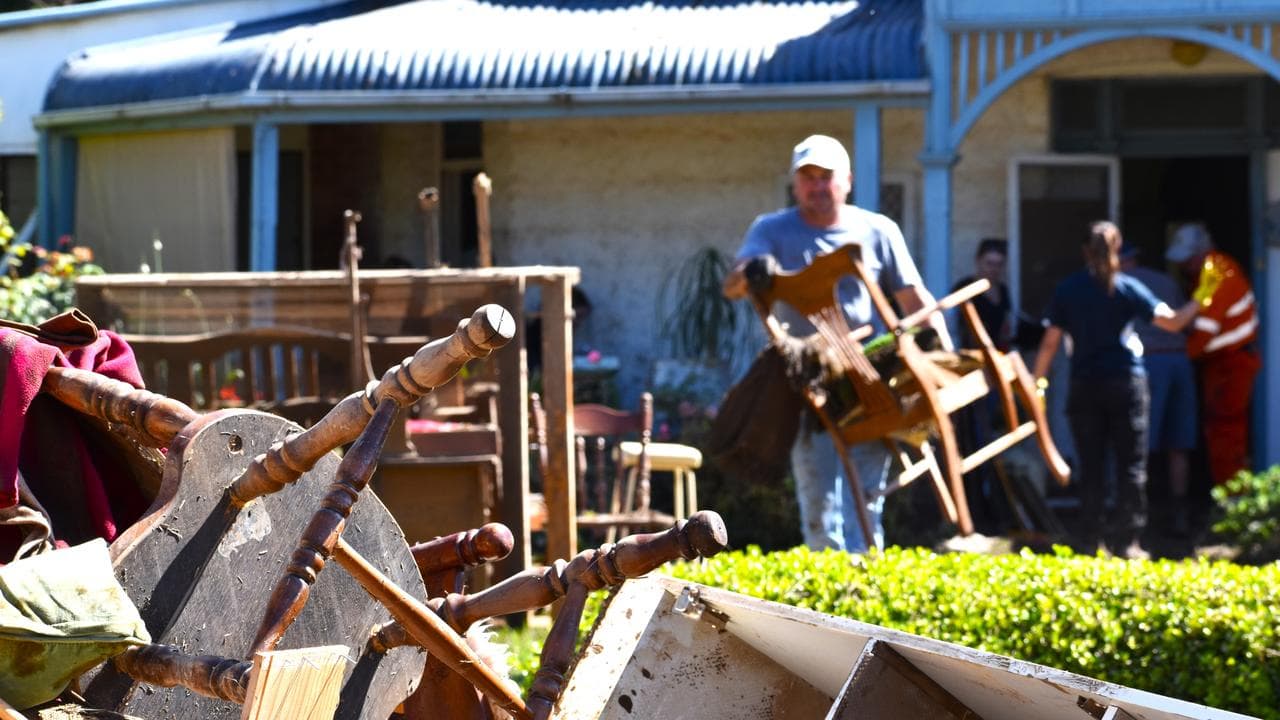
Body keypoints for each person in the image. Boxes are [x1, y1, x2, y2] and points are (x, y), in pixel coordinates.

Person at [722, 134, 952, 553]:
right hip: (809, 384)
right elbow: (734, 285)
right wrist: (752, 271)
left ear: (846, 180)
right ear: (795, 184)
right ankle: (825, 592)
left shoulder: (878, 229)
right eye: (807, 177)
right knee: (819, 499)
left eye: (826, 176)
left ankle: (866, 589)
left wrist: (941, 346)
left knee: (866, 499)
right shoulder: (771, 230)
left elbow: (913, 297)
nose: (817, 186)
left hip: (869, 378)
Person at [1032, 221, 1198, 559]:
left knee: (1091, 464)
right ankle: (1127, 543)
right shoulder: (1126, 288)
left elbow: (1050, 343)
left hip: (1085, 384)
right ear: (1117, 248)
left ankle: (1090, 540)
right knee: (1131, 465)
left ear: (1084, 252)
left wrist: (1038, 382)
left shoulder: (1070, 289)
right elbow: (1173, 323)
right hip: (1127, 384)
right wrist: (1201, 299)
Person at [1164, 222, 1260, 487]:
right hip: (1219, 365)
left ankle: (1233, 504)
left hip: (1232, 365)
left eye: (1187, 260)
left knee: (1226, 433)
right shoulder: (1208, 273)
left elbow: (1205, 330)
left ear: (1199, 254)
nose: (1184, 267)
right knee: (1219, 431)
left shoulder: (1217, 272)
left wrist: (1182, 357)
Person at [1119, 244, 1198, 537]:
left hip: (1150, 361)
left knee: (1143, 440)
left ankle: (1143, 515)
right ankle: (1179, 512)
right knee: (1179, 442)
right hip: (1180, 359)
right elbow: (1185, 324)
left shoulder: (1123, 285)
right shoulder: (1167, 282)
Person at [952, 238, 1012, 351]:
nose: (993, 269)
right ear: (978, 261)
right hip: (969, 354)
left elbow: (1005, 326)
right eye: (989, 263)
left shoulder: (1003, 290)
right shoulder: (964, 287)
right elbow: (954, 325)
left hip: (996, 354)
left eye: (998, 264)